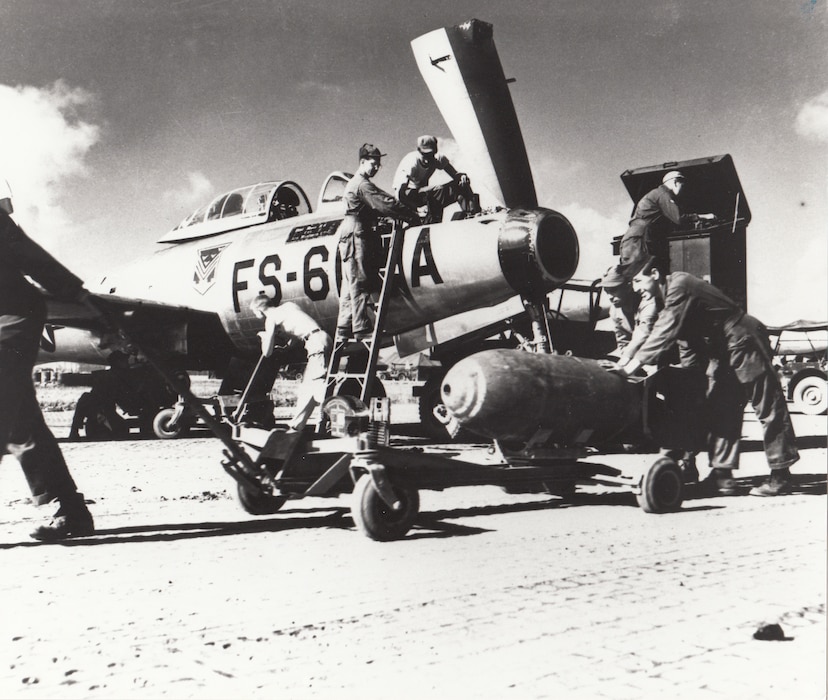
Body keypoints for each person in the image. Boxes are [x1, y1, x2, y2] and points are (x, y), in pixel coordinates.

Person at [614, 256, 799, 496]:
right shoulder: (666, 301)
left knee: (767, 404)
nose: (636, 287)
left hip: (742, 337)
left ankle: (781, 475)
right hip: (722, 348)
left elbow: (664, 332)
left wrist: (630, 367)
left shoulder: (679, 285)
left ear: (656, 274)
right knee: (721, 407)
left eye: (639, 280)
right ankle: (723, 477)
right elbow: (682, 341)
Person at [0, 180, 95, 540]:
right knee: (20, 419)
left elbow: (26, 253)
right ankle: (69, 511)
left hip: (12, 316)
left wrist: (73, 290)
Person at [336, 143, 420, 341]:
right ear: (363, 162)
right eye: (374, 164)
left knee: (350, 285)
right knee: (360, 280)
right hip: (357, 232)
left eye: (378, 165)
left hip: (351, 230)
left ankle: (344, 327)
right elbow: (384, 202)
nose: (376, 168)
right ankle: (361, 328)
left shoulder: (356, 184)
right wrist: (413, 216)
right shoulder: (362, 184)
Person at [250, 293, 332, 432]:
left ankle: (340, 415)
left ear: (258, 310)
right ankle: (296, 426)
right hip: (323, 338)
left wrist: (264, 337)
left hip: (315, 344)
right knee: (307, 388)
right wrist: (287, 347)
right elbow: (300, 331)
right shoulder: (289, 306)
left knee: (320, 388)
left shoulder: (270, 319)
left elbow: (267, 352)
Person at [618, 170, 717, 274]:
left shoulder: (656, 193)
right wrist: (704, 217)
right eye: (682, 185)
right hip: (640, 240)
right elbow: (678, 219)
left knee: (638, 275)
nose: (683, 190)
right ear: (675, 182)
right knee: (636, 275)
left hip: (636, 238)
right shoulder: (663, 194)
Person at [392, 135, 480, 224]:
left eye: (430, 155)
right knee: (434, 192)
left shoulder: (438, 159)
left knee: (459, 184)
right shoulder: (410, 162)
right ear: (419, 150)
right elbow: (399, 194)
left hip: (426, 195)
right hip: (409, 197)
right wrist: (416, 209)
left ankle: (472, 214)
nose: (427, 160)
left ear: (435, 152)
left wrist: (462, 177)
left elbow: (455, 175)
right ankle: (429, 222)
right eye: (424, 155)